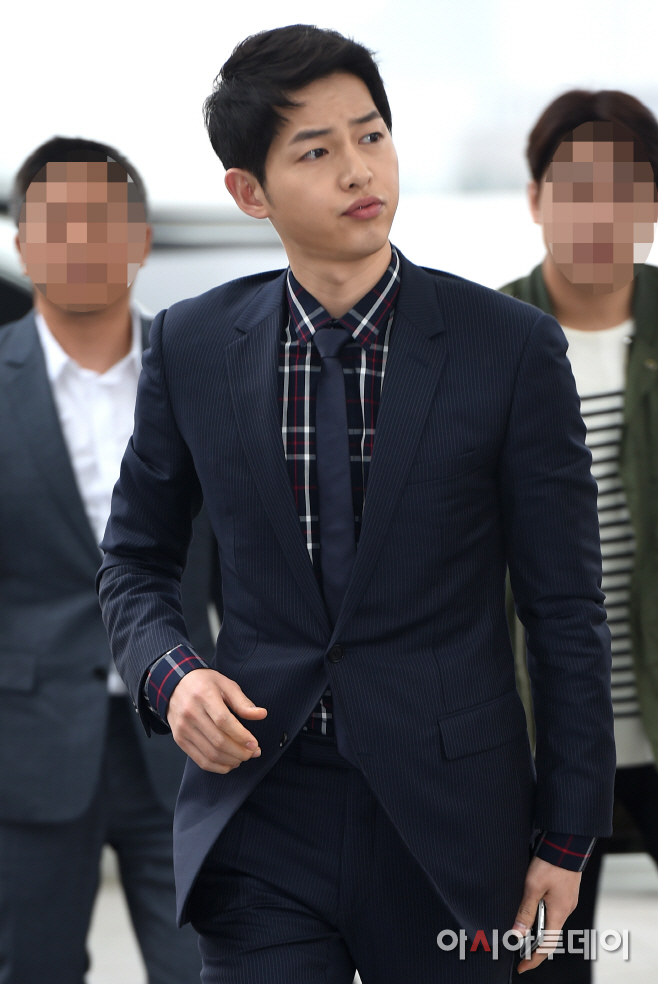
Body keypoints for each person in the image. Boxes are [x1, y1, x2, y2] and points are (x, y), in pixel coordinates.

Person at [98, 26, 615, 984]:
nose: (357, 169)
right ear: (249, 192)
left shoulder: (510, 349)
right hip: (262, 809)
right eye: (315, 151)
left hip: (456, 821)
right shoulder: (191, 347)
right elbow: (134, 560)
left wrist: (570, 833)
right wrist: (174, 678)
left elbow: (566, 610)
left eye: (371, 135)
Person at [0, 136, 218, 984]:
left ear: (142, 239)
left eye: (102, 220)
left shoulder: (206, 375)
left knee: (208, 966)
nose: (80, 242)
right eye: (55, 224)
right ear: (22, 244)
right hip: (24, 745)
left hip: (189, 735)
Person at [501, 89, 658, 984]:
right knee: (540, 963)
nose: (601, 213)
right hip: (538, 739)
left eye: (626, 188)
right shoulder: (480, 342)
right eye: (576, 189)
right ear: (535, 199)